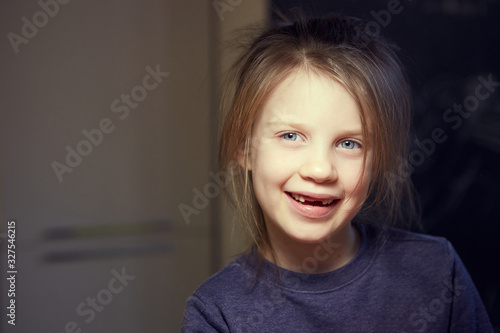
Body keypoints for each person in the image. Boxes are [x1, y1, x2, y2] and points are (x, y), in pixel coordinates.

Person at [181, 14, 493, 332]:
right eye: (290, 136)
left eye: (349, 143)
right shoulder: (217, 314)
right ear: (245, 148)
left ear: (379, 159)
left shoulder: (437, 273)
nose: (320, 169)